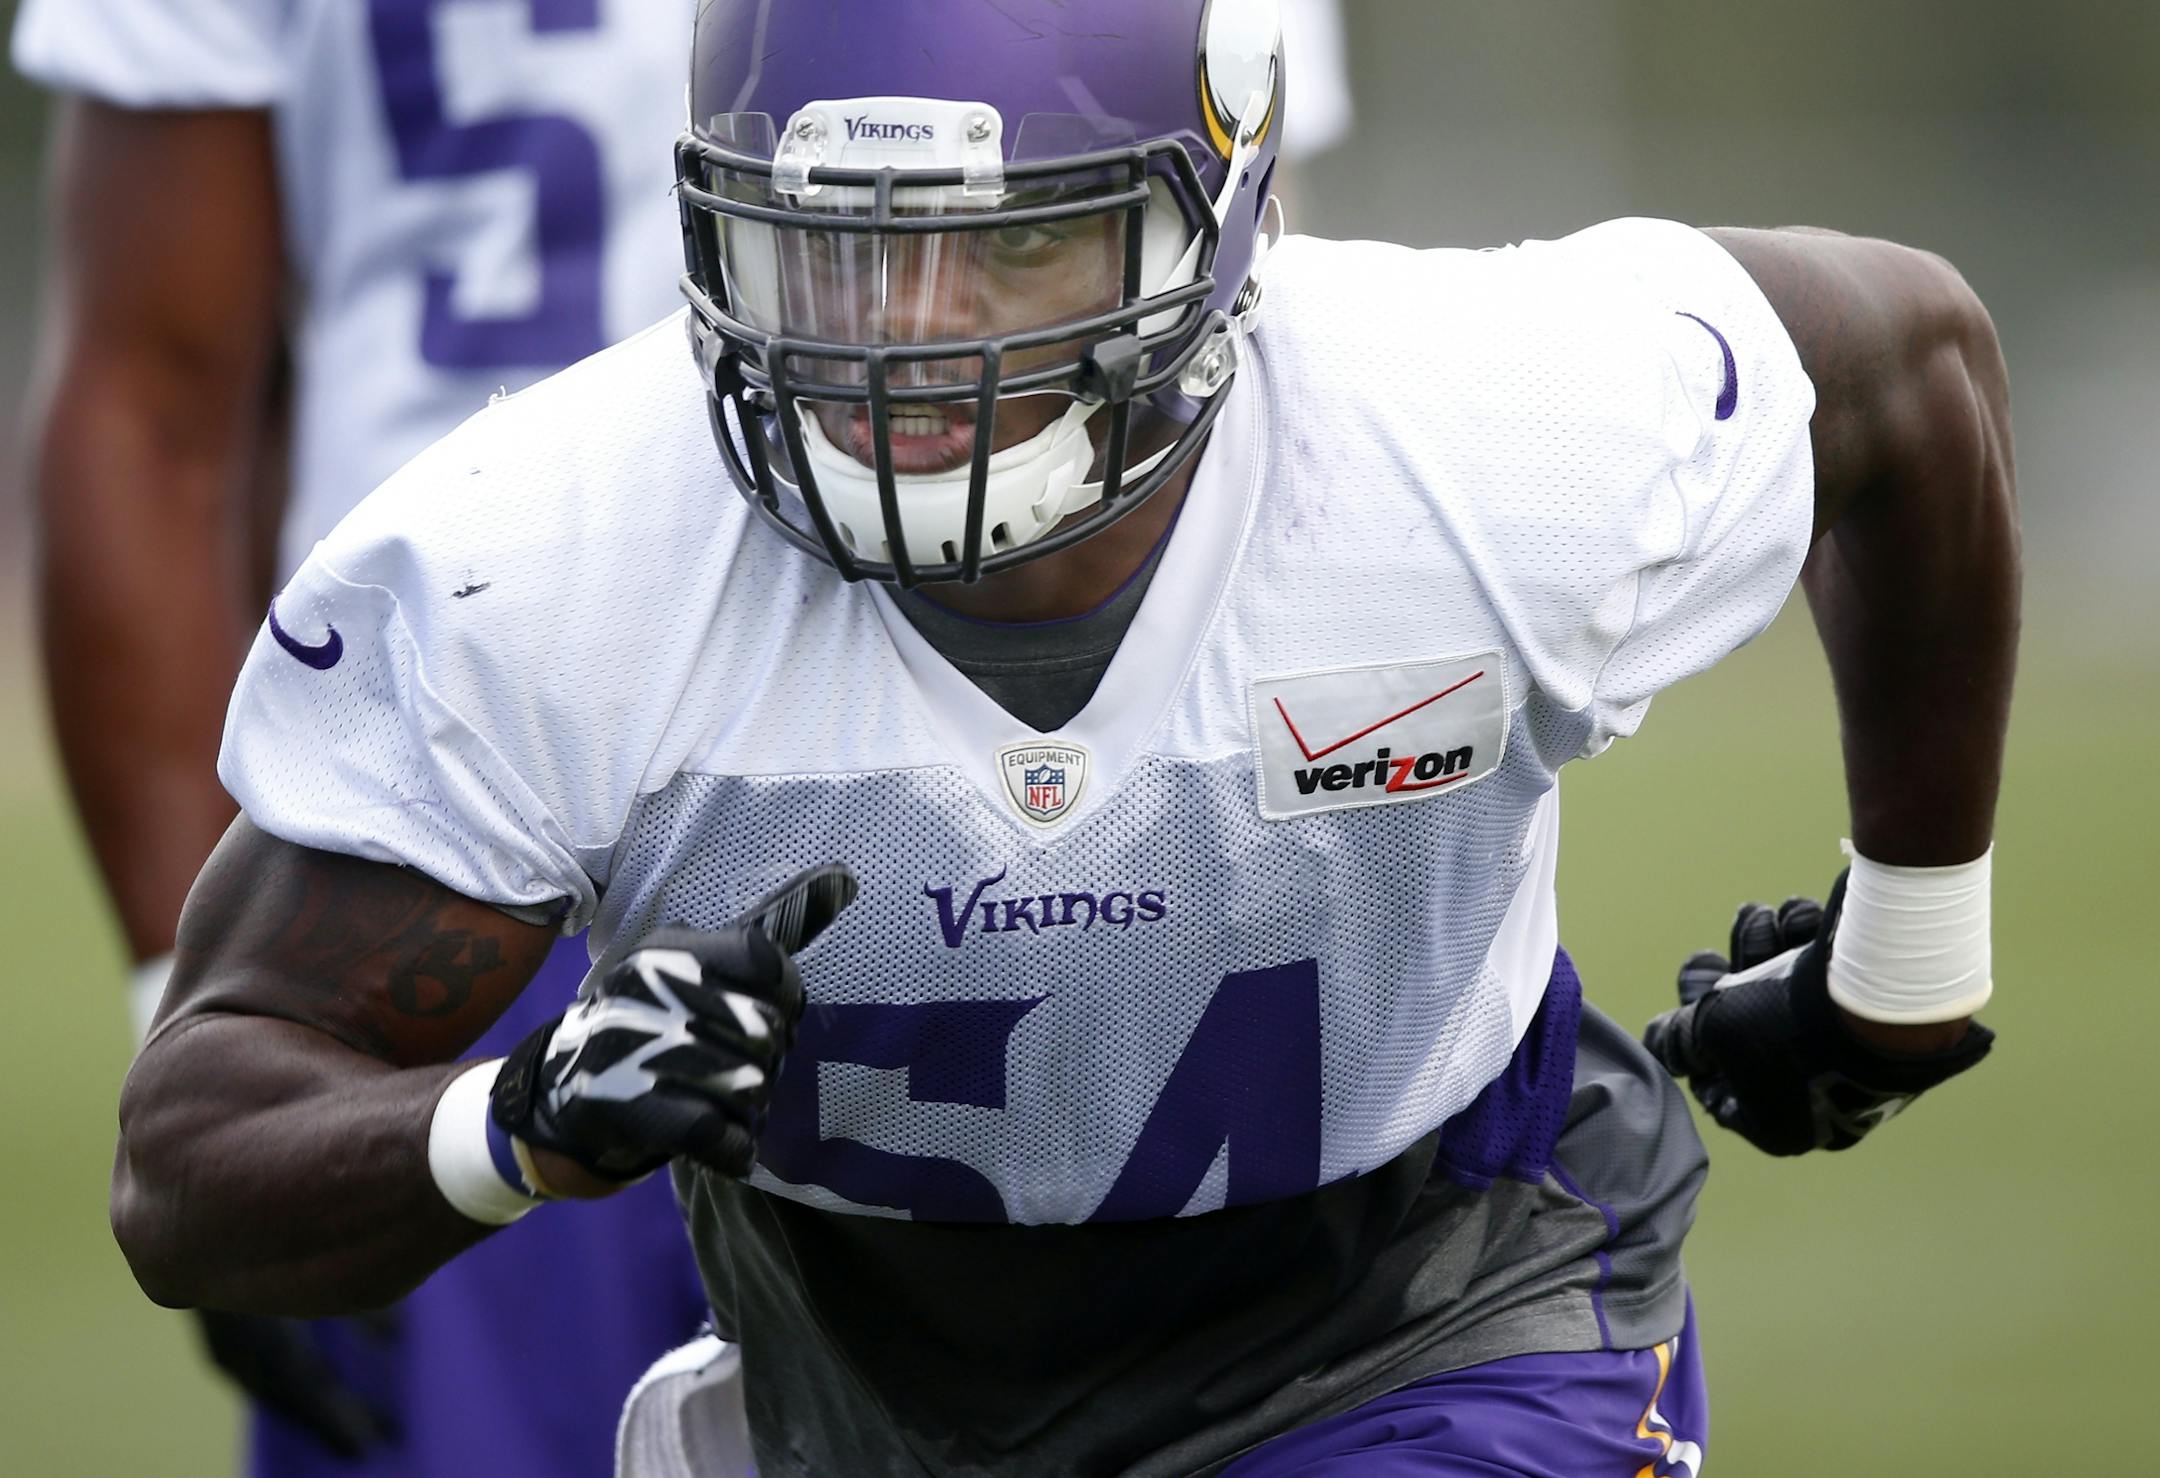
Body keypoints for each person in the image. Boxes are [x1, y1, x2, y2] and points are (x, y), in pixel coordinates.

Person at [108, 1, 2016, 1474]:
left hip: (1428, 1308)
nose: (908, 348)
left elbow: (1913, 370)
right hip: (871, 1393)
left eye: (1014, 246)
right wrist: (512, 1121)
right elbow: (193, 1145)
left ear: (1221, 214)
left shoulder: (1475, 444)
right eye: (831, 248)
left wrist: (1909, 959)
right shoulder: (549, 562)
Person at [13, 1, 714, 1473]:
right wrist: (222, 1061)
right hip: (442, 831)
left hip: (974, 772)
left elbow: (149, 411)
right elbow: (150, 406)